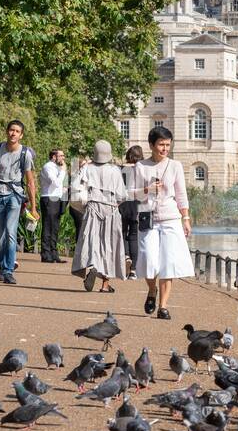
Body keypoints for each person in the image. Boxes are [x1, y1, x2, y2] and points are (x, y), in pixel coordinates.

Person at [132, 125, 193, 319]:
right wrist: (148, 189)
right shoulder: (141, 166)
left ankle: (163, 306)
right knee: (149, 260)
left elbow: (181, 194)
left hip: (170, 217)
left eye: (167, 145)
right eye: (161, 144)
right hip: (148, 217)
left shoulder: (175, 166)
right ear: (151, 145)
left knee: (169, 262)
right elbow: (131, 193)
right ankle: (151, 290)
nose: (165, 149)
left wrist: (186, 217)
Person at [0, 119, 38, 284]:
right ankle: (1, 266)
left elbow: (30, 182)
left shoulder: (25, 153)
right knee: (0, 237)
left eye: (17, 131)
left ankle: (8, 270)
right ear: (7, 131)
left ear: (21, 135)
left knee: (11, 233)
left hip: (14, 196)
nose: (13, 133)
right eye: (11, 130)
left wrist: (33, 207)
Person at [70, 140, 127, 293]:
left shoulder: (87, 168)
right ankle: (105, 284)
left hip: (93, 206)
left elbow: (76, 188)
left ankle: (93, 265)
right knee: (110, 244)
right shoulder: (115, 170)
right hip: (111, 208)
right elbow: (122, 194)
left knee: (92, 240)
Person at [38, 149, 68, 263]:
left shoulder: (57, 168)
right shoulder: (48, 167)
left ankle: (54, 253)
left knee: (55, 227)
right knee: (48, 226)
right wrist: (63, 171)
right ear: (54, 157)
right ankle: (46, 254)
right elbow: (55, 183)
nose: (63, 158)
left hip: (57, 198)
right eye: (61, 156)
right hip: (49, 197)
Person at [121, 145, 143, 280]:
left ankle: (126, 255)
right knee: (134, 236)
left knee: (122, 233)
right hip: (137, 204)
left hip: (123, 203)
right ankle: (133, 270)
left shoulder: (120, 169)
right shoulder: (143, 169)